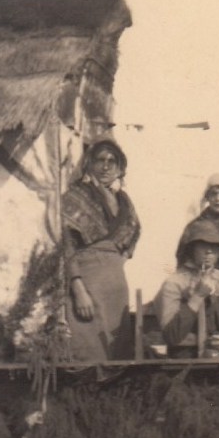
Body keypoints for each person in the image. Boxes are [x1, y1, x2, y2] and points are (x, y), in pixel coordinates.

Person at [62, 138, 141, 362]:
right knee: (89, 347)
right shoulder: (76, 196)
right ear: (89, 164)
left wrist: (119, 258)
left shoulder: (123, 200)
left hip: (115, 283)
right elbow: (66, 244)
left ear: (119, 168)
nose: (106, 166)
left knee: (117, 347)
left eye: (112, 161)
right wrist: (78, 289)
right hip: (88, 281)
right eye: (100, 160)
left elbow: (135, 230)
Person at [155, 220, 219, 359]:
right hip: (183, 360)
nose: (209, 251)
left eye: (214, 246)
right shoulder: (174, 283)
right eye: (203, 246)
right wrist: (197, 297)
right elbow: (171, 336)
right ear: (191, 250)